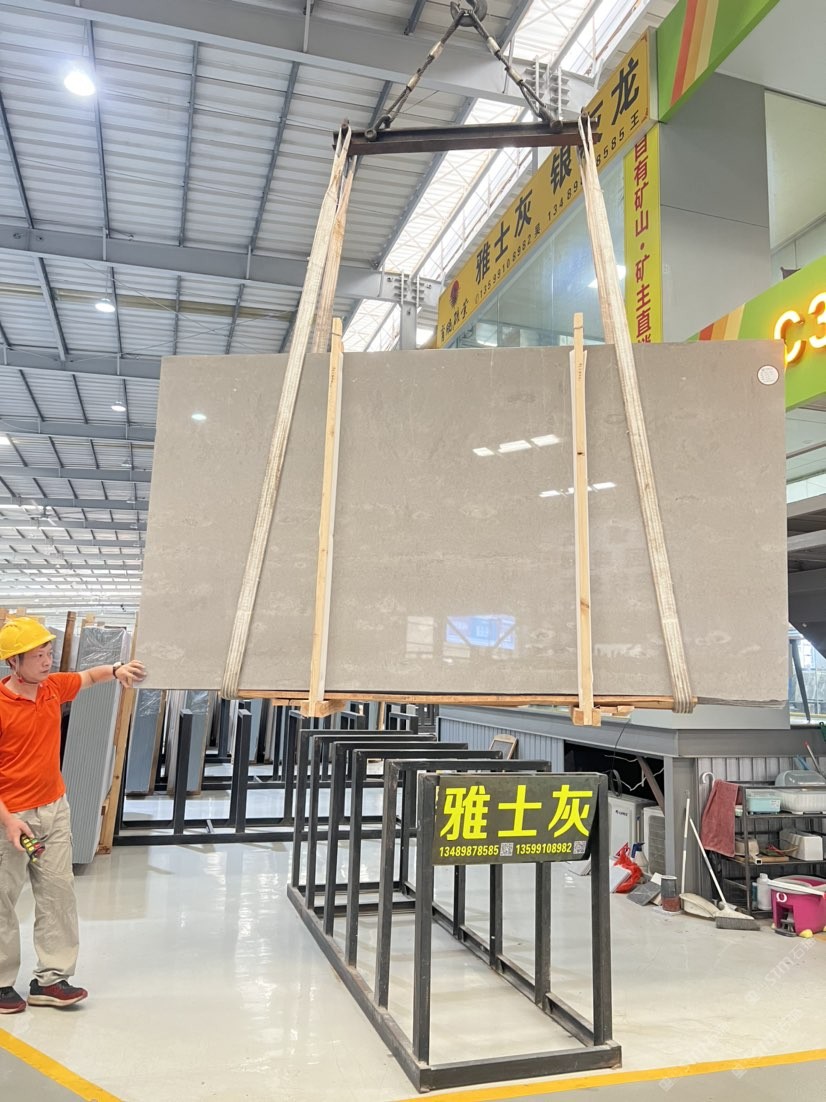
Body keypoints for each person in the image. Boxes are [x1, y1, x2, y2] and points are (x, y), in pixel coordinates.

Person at [0, 617, 146, 1014]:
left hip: (53, 810)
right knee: (2, 899)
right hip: (11, 817)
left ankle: (51, 980)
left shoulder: (52, 688)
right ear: (13, 662)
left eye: (49, 653)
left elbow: (89, 676)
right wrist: (9, 821)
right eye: (38, 656)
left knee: (58, 894)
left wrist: (117, 669)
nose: (47, 661)